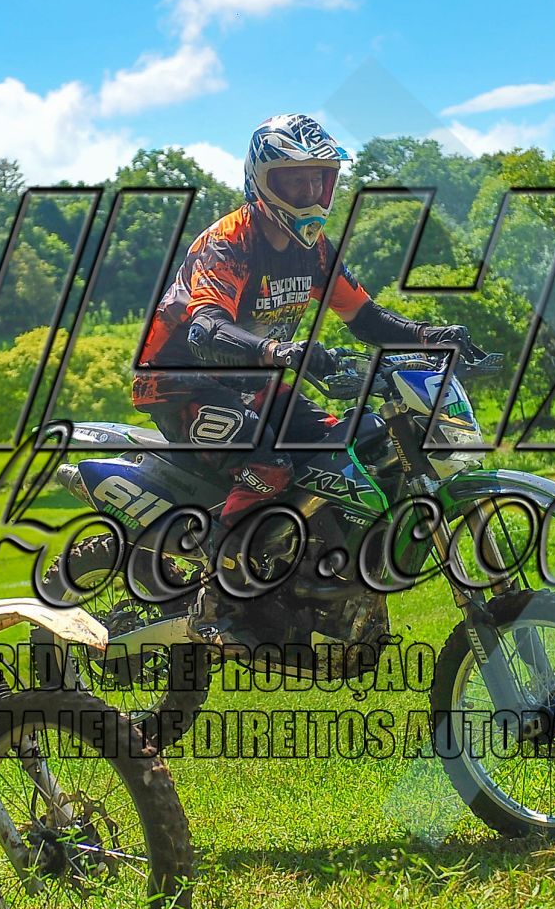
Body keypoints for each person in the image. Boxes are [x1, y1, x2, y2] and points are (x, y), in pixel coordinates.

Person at [132, 113, 479, 646]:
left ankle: (305, 584)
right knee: (269, 463)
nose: (311, 192)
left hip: (253, 381)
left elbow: (365, 317)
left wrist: (434, 337)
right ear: (262, 181)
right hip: (181, 383)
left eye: (320, 178)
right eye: (295, 180)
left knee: (342, 452)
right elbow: (205, 328)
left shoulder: (314, 248)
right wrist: (280, 350)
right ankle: (216, 599)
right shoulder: (230, 242)